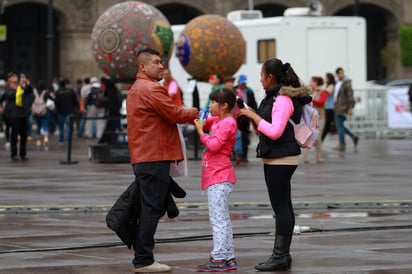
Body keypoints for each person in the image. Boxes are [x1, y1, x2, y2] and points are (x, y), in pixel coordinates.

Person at [126, 48, 198, 273]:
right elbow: (175, 114)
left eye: (162, 63)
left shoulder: (137, 88)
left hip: (146, 156)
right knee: (151, 208)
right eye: (156, 63)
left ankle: (143, 254)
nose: (161, 67)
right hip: (154, 157)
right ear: (142, 66)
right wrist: (199, 112)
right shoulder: (151, 89)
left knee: (151, 206)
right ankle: (144, 259)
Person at [239, 58, 312, 271]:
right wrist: (250, 115)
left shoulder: (282, 99)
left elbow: (275, 131)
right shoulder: (273, 97)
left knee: (281, 208)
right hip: (276, 157)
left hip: (282, 158)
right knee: (283, 206)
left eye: (262, 76)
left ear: (270, 77)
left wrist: (252, 114)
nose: (260, 81)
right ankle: (283, 255)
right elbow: (265, 128)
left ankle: (279, 256)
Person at [193, 88, 238, 272]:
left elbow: (214, 145)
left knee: (217, 220)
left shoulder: (227, 123)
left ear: (224, 105)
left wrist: (200, 132)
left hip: (219, 177)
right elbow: (205, 121)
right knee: (223, 219)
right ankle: (228, 257)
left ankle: (219, 258)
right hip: (217, 176)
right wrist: (199, 119)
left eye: (212, 102)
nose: (209, 105)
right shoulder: (220, 120)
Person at [0, 72, 33, 160]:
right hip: (13, 115)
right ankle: (14, 154)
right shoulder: (8, 89)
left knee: (24, 135)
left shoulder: (21, 88)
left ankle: (23, 154)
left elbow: (29, 91)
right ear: (9, 80)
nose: (15, 77)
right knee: (14, 135)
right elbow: (12, 95)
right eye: (13, 76)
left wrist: (27, 83)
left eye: (16, 76)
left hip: (23, 114)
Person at [303, 76, 328, 163]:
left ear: (317, 82)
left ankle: (319, 157)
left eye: (312, 81)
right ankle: (306, 158)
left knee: (317, 137)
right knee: (307, 136)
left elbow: (322, 102)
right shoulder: (309, 91)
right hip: (309, 117)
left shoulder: (323, 91)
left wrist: (310, 100)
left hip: (320, 117)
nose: (310, 82)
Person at [333, 67, 358, 151]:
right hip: (337, 107)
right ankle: (353, 136)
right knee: (340, 126)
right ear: (336, 75)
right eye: (339, 73)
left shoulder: (346, 83)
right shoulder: (337, 83)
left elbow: (350, 96)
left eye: (342, 73)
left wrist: (350, 108)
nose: (341, 75)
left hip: (343, 107)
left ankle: (342, 144)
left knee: (339, 126)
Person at [235, 74, 257, 163]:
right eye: (241, 83)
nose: (243, 85)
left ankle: (244, 156)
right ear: (238, 82)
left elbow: (253, 103)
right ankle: (236, 155)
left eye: (244, 83)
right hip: (237, 116)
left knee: (245, 136)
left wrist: (255, 113)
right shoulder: (234, 91)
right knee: (237, 137)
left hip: (247, 115)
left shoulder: (249, 91)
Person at [54, 78, 79, 145]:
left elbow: (56, 102)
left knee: (61, 127)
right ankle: (68, 140)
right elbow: (75, 100)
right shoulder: (71, 91)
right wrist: (76, 108)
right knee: (69, 126)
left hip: (61, 111)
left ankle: (61, 139)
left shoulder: (58, 92)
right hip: (70, 110)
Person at [33, 80, 53, 148]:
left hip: (36, 112)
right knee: (45, 125)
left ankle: (38, 140)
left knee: (38, 126)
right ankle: (46, 138)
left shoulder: (34, 93)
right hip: (45, 112)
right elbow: (50, 103)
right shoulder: (46, 93)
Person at [321, 72, 336, 141]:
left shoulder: (331, 86)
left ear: (329, 79)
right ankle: (320, 139)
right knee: (327, 125)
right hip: (327, 107)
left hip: (330, 108)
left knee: (327, 125)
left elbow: (328, 92)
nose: (325, 79)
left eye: (326, 78)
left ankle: (320, 139)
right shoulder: (327, 86)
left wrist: (319, 88)